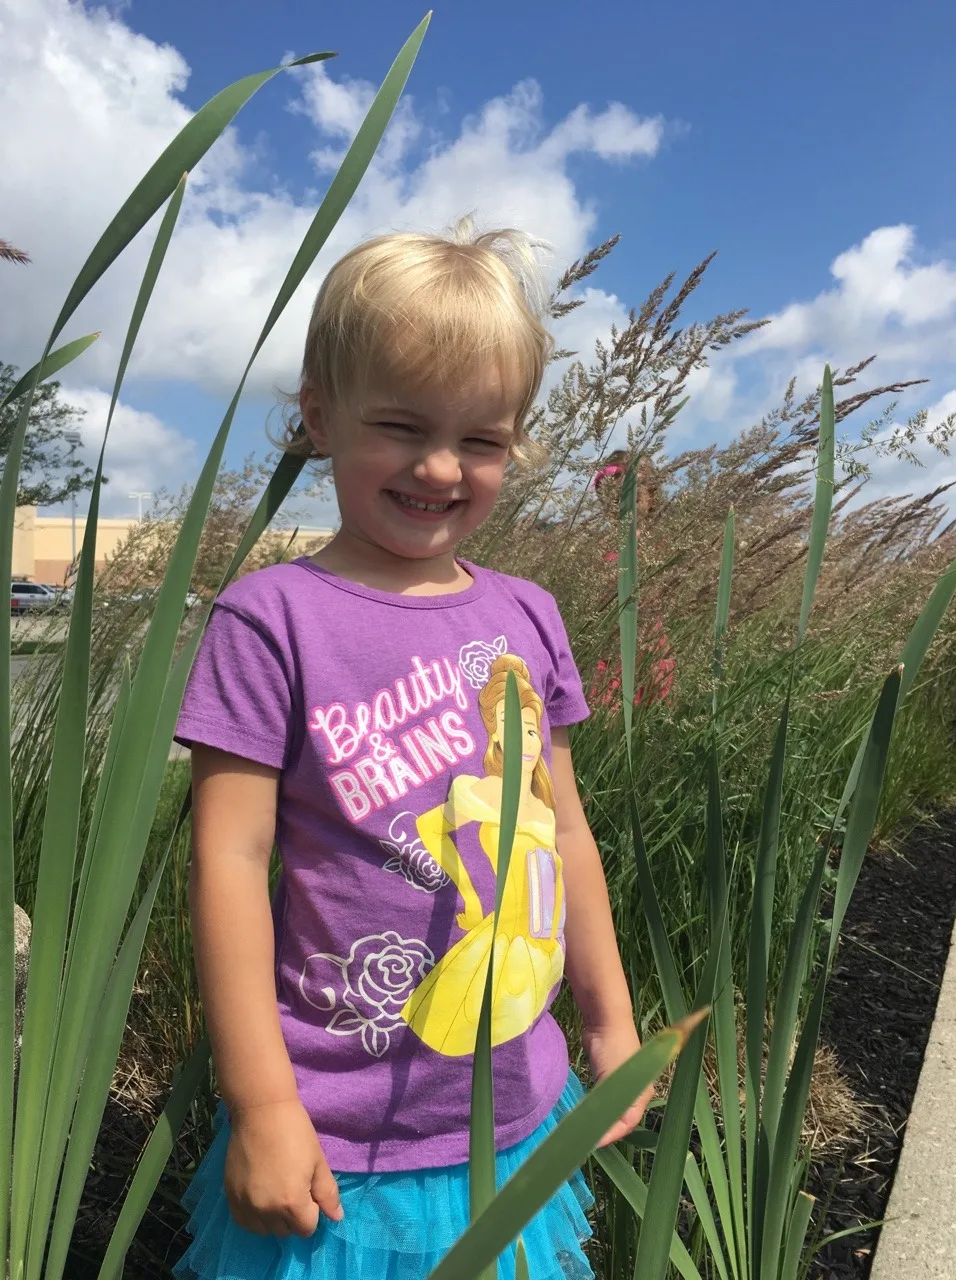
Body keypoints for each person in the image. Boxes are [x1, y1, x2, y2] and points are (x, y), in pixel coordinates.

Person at [173, 219, 654, 1280]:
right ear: (317, 420)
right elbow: (230, 862)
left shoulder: (528, 614)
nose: (441, 467)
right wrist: (260, 1105)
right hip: (338, 1126)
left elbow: (563, 829)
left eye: (481, 440)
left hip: (510, 1106)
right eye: (400, 425)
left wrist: (612, 1020)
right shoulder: (271, 618)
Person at [588, 449, 675, 710]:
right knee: (608, 712)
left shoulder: (657, 543)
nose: (621, 504)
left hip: (648, 641)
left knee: (651, 711)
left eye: (632, 496)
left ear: (652, 499)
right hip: (609, 646)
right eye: (612, 498)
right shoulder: (598, 545)